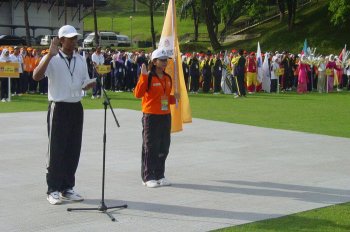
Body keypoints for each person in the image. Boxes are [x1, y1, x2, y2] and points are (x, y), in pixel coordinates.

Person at [33, 25, 96, 205]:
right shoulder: (52, 58)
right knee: (56, 150)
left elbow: (83, 80)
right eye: (70, 38)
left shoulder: (80, 58)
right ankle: (52, 189)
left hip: (76, 107)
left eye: (75, 38)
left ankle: (67, 188)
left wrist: (87, 84)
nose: (74, 41)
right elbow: (36, 76)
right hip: (58, 108)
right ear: (61, 40)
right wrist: (49, 55)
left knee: (73, 149)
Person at [134, 48, 177, 188]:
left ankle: (160, 175)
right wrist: (143, 77)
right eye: (162, 60)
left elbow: (163, 98)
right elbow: (138, 94)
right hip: (151, 116)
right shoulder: (149, 77)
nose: (165, 62)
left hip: (165, 115)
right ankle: (148, 176)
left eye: (166, 60)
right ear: (154, 61)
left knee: (163, 146)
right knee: (150, 147)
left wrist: (173, 99)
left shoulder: (167, 78)